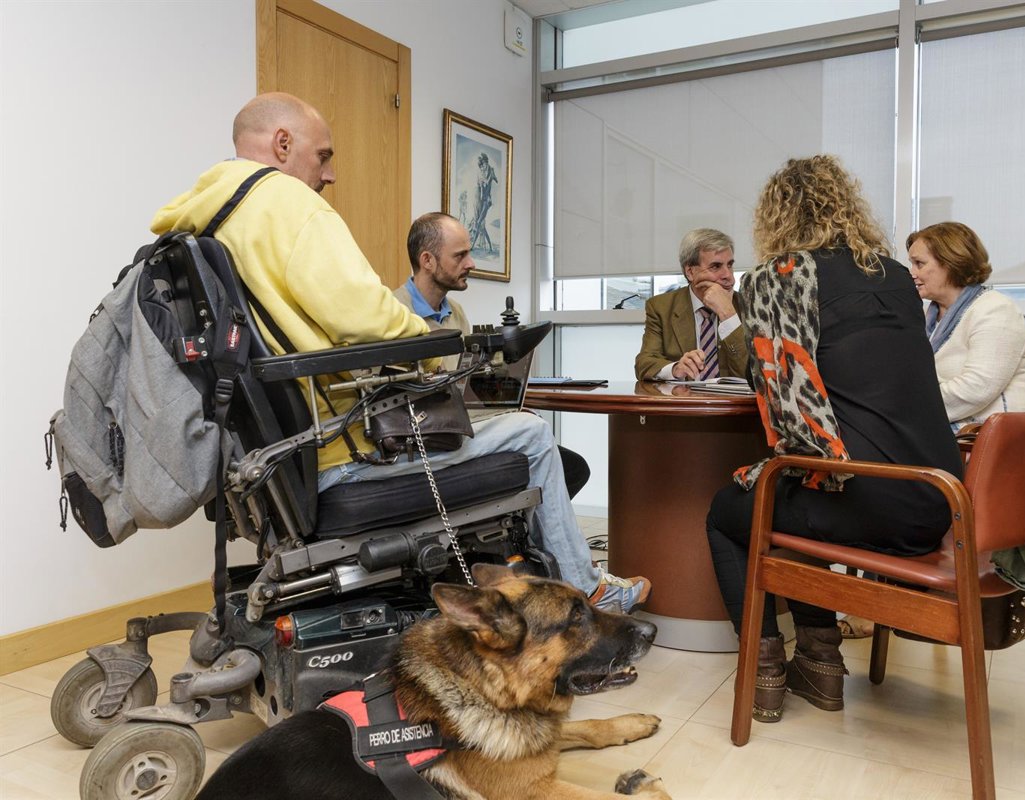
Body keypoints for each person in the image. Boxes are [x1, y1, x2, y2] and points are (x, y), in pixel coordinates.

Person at [150, 92, 648, 613]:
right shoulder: (286, 204)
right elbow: (363, 316)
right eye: (323, 156)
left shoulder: (203, 221)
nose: (329, 175)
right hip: (340, 459)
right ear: (282, 144)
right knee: (534, 433)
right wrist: (433, 351)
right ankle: (589, 591)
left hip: (281, 463)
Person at [704, 155, 963, 723]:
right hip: (939, 498)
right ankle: (819, 663)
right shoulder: (895, 276)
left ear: (776, 216)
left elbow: (777, 397)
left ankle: (766, 671)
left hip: (873, 497)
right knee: (802, 492)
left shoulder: (779, 278)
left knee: (730, 512)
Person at [397, 211, 592, 499]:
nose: (471, 264)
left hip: (463, 423)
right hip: (431, 436)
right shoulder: (396, 314)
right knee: (543, 445)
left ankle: (526, 527)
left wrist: (503, 409)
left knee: (573, 467)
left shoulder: (455, 313)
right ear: (427, 260)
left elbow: (464, 385)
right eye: (460, 256)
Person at [906, 222, 1025, 430]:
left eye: (919, 264)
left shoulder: (996, 309)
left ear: (950, 263)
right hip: (954, 429)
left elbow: (978, 387)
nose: (912, 273)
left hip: (994, 436)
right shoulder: (928, 317)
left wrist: (905, 406)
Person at [634, 228, 749, 381]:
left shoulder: (748, 306)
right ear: (690, 272)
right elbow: (644, 364)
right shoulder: (661, 307)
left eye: (730, 265)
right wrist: (676, 369)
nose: (728, 276)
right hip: (685, 396)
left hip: (732, 397)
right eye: (716, 266)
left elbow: (755, 374)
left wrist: (728, 315)